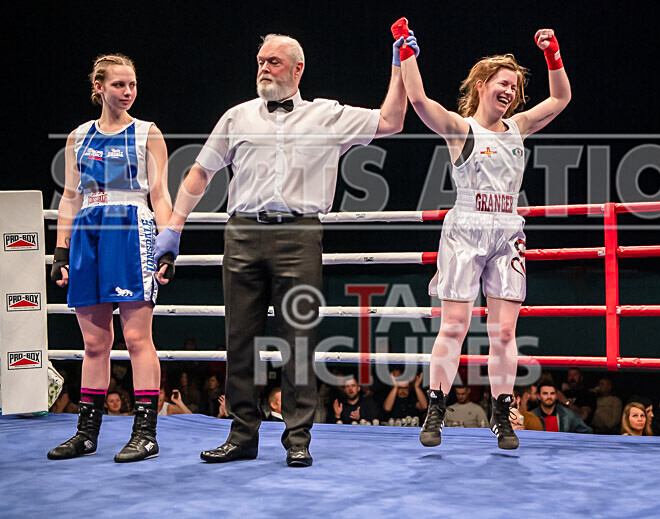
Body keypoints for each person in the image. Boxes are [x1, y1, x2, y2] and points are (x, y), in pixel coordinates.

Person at [154, 32, 406, 467]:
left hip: (300, 235)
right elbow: (200, 172)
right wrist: (175, 226)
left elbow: (392, 121)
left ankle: (297, 438)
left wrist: (400, 66)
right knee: (240, 341)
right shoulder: (237, 116)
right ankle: (242, 435)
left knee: (299, 340)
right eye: (260, 61)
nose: (264, 68)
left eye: (273, 61)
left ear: (297, 69)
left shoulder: (328, 114)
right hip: (242, 234)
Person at [400, 25, 571, 450]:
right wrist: (406, 53)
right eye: (503, 83)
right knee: (454, 325)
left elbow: (561, 98)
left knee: (505, 334)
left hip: (508, 230)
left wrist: (554, 54)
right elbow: (419, 100)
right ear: (482, 85)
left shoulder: (518, 128)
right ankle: (435, 409)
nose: (510, 92)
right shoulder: (460, 128)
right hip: (466, 229)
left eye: (515, 86)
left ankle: (501, 415)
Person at [47, 54, 172, 463]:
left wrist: (168, 245)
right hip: (87, 230)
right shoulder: (78, 136)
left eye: (132, 85)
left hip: (131, 227)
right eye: (119, 85)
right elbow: (69, 196)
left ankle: (145, 433)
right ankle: (86, 433)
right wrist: (61, 250)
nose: (128, 92)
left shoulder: (147, 133)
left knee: (137, 339)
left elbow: (161, 194)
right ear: (99, 87)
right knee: (94, 342)